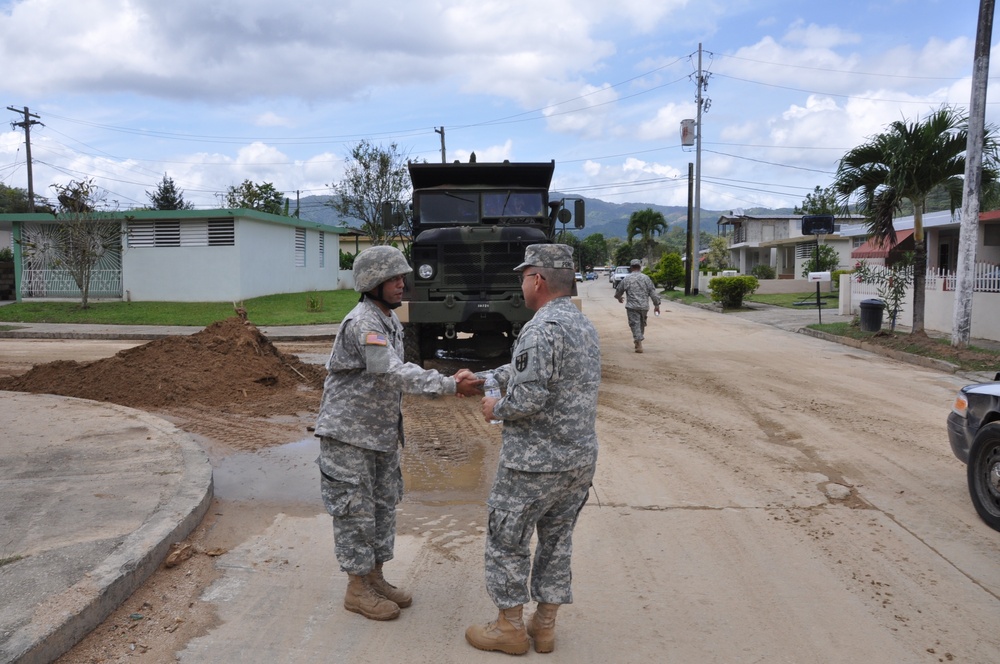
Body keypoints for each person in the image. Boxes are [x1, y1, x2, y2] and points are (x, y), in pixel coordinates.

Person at [314, 245, 482, 621]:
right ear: (371, 283)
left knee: (381, 507)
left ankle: (374, 577)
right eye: (393, 278)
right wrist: (448, 384)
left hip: (378, 434)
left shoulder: (387, 318)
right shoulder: (364, 323)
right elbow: (391, 371)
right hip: (349, 435)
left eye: (401, 277)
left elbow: (396, 368)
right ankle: (357, 588)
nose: (401, 284)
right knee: (355, 512)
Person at [465, 244, 601, 655]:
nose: (521, 283)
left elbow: (527, 400)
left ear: (537, 280)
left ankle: (508, 628)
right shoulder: (581, 325)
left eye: (523, 275)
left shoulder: (539, 329)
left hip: (534, 465)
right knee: (557, 540)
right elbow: (533, 371)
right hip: (577, 461)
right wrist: (485, 376)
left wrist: (494, 407)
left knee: (507, 539)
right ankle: (544, 626)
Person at [614, 258, 660, 353]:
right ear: (640, 267)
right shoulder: (646, 278)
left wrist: (619, 298)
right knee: (641, 324)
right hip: (644, 307)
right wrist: (657, 305)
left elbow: (619, 291)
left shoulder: (627, 279)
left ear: (631, 267)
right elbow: (653, 293)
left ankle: (638, 342)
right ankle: (638, 340)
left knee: (635, 324)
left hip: (632, 306)